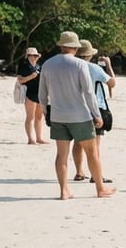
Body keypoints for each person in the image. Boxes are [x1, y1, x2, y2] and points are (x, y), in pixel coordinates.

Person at [37, 31, 114, 200]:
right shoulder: (80, 65)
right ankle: (100, 188)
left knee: (61, 155)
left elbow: (42, 93)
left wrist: (45, 112)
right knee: (92, 152)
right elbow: (88, 92)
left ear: (61, 45)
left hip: (57, 115)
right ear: (75, 47)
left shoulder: (48, 64)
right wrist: (96, 114)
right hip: (80, 116)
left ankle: (64, 190)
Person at [71, 39, 116, 183]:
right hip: (94, 108)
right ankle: (96, 175)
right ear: (89, 55)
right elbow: (112, 83)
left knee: (78, 142)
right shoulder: (94, 68)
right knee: (94, 145)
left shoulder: (71, 67)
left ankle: (79, 172)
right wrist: (108, 65)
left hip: (76, 108)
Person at [17, 46, 47, 144]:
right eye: (30, 55)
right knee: (30, 117)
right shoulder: (24, 67)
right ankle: (31, 139)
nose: (33, 57)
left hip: (40, 93)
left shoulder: (39, 66)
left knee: (39, 117)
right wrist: (31, 76)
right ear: (27, 56)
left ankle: (39, 138)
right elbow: (20, 80)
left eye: (35, 55)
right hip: (29, 93)